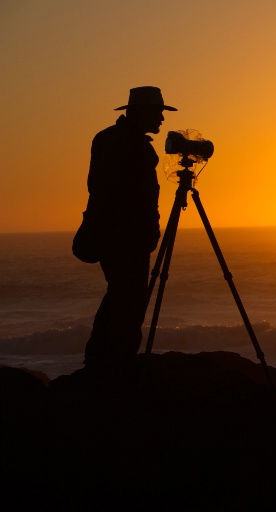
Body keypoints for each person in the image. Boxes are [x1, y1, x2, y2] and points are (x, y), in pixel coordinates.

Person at [81, 86, 177, 368]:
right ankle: (117, 362)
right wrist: (150, 230)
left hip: (107, 233)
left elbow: (96, 186)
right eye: (158, 113)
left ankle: (100, 359)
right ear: (142, 113)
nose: (161, 119)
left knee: (119, 294)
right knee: (131, 301)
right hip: (127, 237)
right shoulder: (135, 147)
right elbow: (140, 195)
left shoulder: (105, 138)